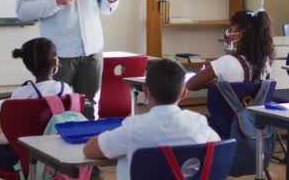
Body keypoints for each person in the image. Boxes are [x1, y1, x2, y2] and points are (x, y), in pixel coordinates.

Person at [83, 59, 220, 180]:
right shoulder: (199, 124)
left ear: (146, 91)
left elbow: (89, 150)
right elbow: (219, 150)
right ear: (184, 93)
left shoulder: (134, 128)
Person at [0, 38, 72, 180]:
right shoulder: (66, 90)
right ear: (56, 61)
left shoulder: (21, 93)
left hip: (23, 156)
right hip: (58, 154)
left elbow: (11, 132)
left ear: (28, 65)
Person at [186, 9, 275, 90]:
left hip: (227, 108)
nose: (228, 34)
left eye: (231, 30)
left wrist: (215, 85)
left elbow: (190, 85)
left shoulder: (226, 62)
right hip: (252, 107)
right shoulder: (265, 61)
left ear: (240, 36)